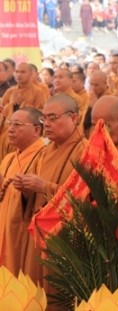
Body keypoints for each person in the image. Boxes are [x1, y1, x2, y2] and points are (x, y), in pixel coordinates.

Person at [15, 94, 87, 284]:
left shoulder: (85, 151)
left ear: (73, 118)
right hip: (38, 233)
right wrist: (26, 188)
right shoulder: (46, 151)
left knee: (56, 293)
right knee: (35, 289)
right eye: (43, 118)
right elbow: (34, 196)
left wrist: (44, 186)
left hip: (65, 238)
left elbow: (85, 198)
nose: (46, 123)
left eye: (52, 118)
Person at [0, 108, 45, 279]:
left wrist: (26, 190)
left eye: (17, 125)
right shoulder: (9, 158)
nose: (10, 129)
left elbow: (40, 199)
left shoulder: (43, 156)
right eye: (9, 123)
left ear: (36, 130)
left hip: (23, 234)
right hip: (5, 228)